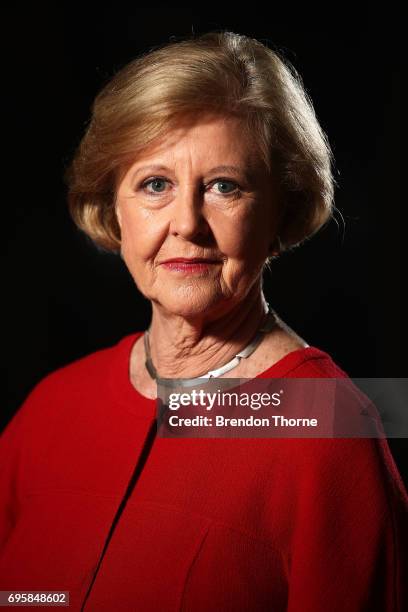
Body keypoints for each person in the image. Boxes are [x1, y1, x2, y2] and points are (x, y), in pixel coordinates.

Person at [1, 30, 407, 611]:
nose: (187, 223)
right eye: (155, 185)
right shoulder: (53, 404)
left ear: (281, 212)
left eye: (225, 186)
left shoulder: (332, 427)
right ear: (114, 207)